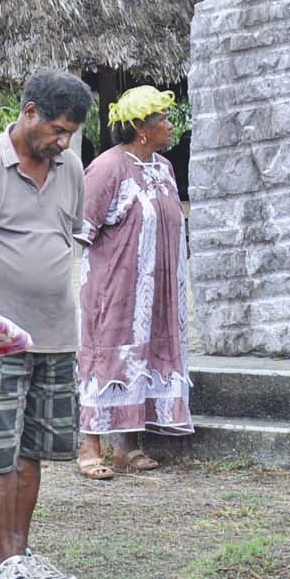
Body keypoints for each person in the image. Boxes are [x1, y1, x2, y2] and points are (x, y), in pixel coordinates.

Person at [0, 71, 92, 579]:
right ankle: (4, 559)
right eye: (56, 129)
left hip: (56, 336)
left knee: (33, 448)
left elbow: (69, 234)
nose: (62, 142)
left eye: (70, 134)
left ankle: (23, 552)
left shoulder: (70, 167)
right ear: (28, 112)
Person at [74, 86, 193, 480]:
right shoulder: (107, 168)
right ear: (141, 129)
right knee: (107, 356)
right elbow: (83, 229)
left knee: (142, 359)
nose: (170, 126)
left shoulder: (163, 167)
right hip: (115, 288)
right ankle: (90, 445)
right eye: (163, 120)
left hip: (157, 292)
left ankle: (127, 445)